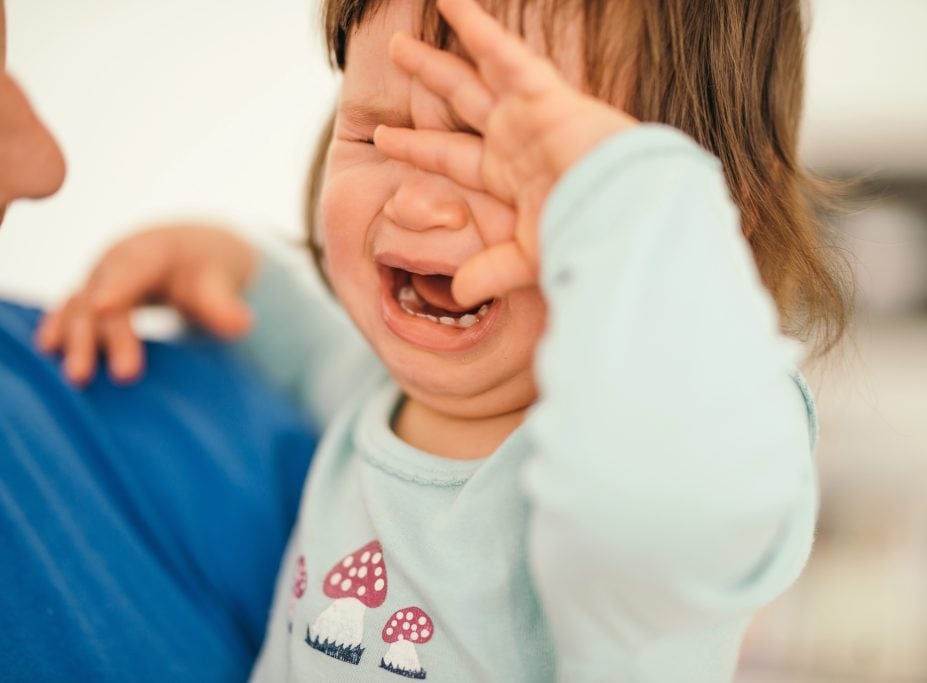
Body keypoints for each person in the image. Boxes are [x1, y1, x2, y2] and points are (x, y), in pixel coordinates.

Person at [44, 0, 849, 679]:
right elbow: (312, 349)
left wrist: (643, 214)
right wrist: (227, 264)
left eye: (502, 155)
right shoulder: (384, 389)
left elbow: (678, 500)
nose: (422, 203)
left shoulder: (676, 453)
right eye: (378, 133)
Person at [0, 2, 316, 679]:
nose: (45, 164)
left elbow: (397, 424)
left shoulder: (110, 379)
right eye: (375, 132)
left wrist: (260, 287)